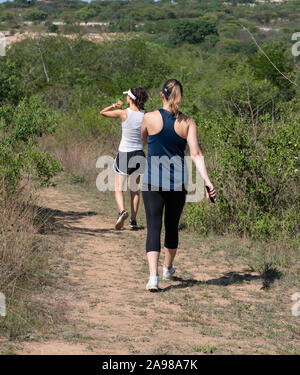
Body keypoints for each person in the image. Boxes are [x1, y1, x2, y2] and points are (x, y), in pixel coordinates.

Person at [141, 78, 216, 291]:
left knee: (154, 227)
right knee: (172, 226)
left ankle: (153, 278)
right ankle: (168, 267)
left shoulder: (149, 117)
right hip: (177, 183)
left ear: (161, 95)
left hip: (152, 181)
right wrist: (208, 183)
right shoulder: (188, 123)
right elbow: (196, 154)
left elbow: (144, 139)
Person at [100, 87, 148, 230]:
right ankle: (133, 221)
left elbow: (102, 112)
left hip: (125, 154)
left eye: (128, 95)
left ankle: (122, 211)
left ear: (131, 98)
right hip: (139, 154)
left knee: (118, 188)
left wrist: (115, 105)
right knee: (134, 189)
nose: (126, 97)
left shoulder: (123, 113)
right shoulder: (146, 115)